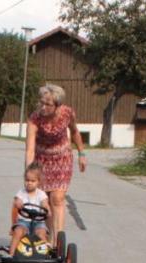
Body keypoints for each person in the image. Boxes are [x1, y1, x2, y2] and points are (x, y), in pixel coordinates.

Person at [24, 83, 87, 240]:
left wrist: (82, 153)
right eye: (41, 102)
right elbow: (30, 149)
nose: (43, 107)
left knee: (57, 198)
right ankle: (50, 235)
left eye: (48, 104)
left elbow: (75, 132)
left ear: (57, 105)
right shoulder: (35, 119)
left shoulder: (67, 113)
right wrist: (30, 172)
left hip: (62, 158)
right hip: (42, 160)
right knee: (44, 200)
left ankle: (58, 241)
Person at [11, 161, 52, 256]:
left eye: (32, 181)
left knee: (41, 233)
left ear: (38, 182)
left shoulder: (41, 194)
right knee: (18, 232)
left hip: (38, 222)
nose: (29, 183)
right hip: (24, 221)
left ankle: (45, 251)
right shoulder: (21, 192)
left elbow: (45, 203)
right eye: (27, 180)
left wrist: (47, 209)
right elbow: (17, 200)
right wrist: (18, 203)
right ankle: (12, 253)